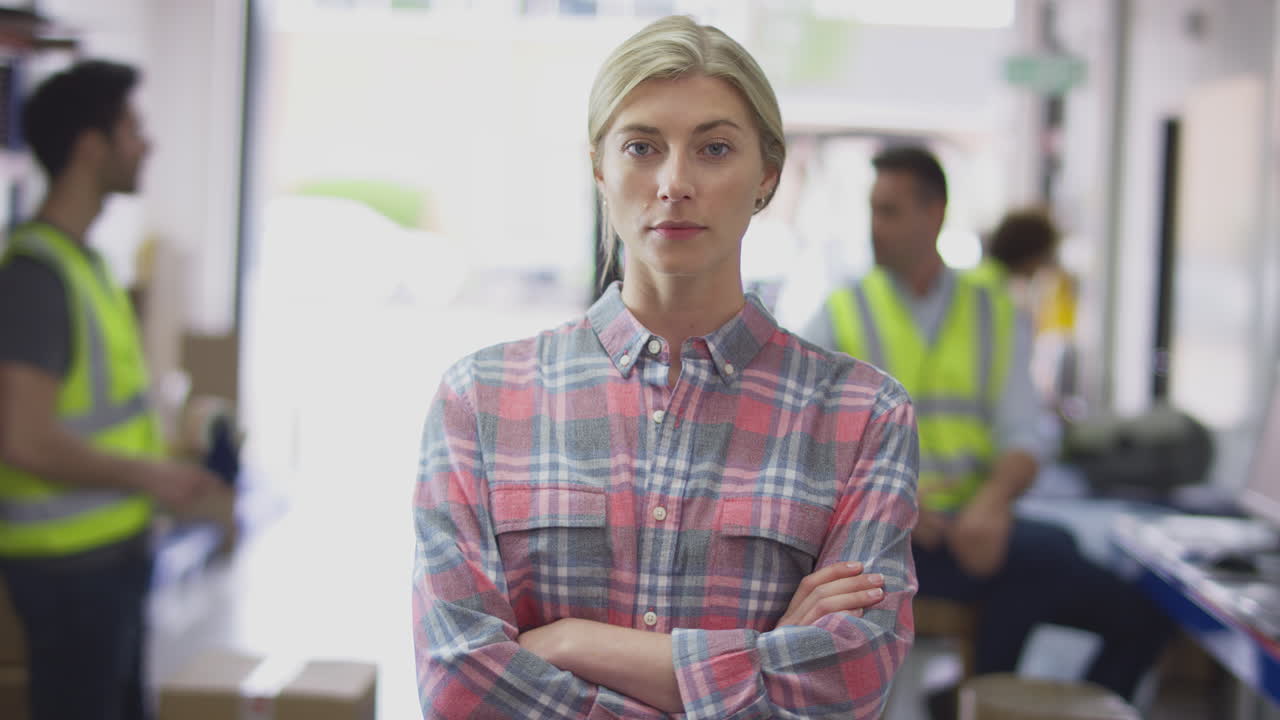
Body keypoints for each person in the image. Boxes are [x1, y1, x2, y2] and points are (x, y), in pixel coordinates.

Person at [412, 16, 919, 719]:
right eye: (642, 147)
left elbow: (849, 681)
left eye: (714, 149)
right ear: (600, 169)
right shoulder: (481, 401)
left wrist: (573, 642)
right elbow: (458, 683)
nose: (675, 182)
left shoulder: (863, 416)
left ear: (767, 175)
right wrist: (761, 660)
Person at [800, 146, 1169, 706]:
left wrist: (991, 506)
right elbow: (802, 442)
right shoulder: (841, 313)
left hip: (971, 530)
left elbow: (1025, 434)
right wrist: (892, 503)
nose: (874, 226)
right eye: (873, 210)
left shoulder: (993, 314)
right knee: (1040, 561)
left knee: (1135, 611)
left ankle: (971, 699)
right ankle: (973, 700)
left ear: (935, 214)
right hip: (882, 540)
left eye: (889, 211)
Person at [0, 60, 222, 720]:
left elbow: (98, 416)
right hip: (67, 566)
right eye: (132, 127)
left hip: (109, 555)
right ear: (90, 146)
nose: (146, 144)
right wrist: (152, 476)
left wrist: (169, 459)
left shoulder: (86, 264)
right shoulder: (36, 277)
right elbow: (24, 438)